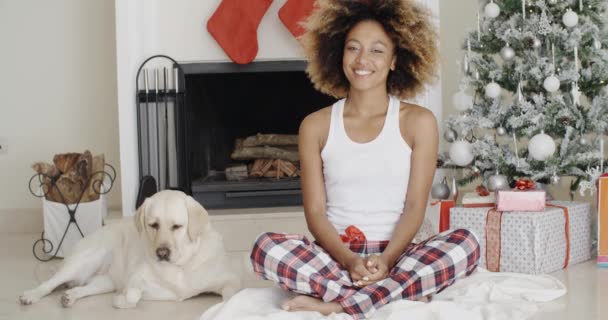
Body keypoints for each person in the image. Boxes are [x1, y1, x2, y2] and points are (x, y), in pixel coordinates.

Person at [250, 1, 480, 319]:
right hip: (335, 256)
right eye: (353, 48)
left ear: (395, 58)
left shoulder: (419, 122)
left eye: (376, 50)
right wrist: (348, 261)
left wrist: (386, 260)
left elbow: (415, 206)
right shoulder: (314, 126)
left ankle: (339, 304)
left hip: (400, 254)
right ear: (338, 54)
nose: (362, 60)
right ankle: (390, 295)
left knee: (466, 244)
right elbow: (315, 212)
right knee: (266, 249)